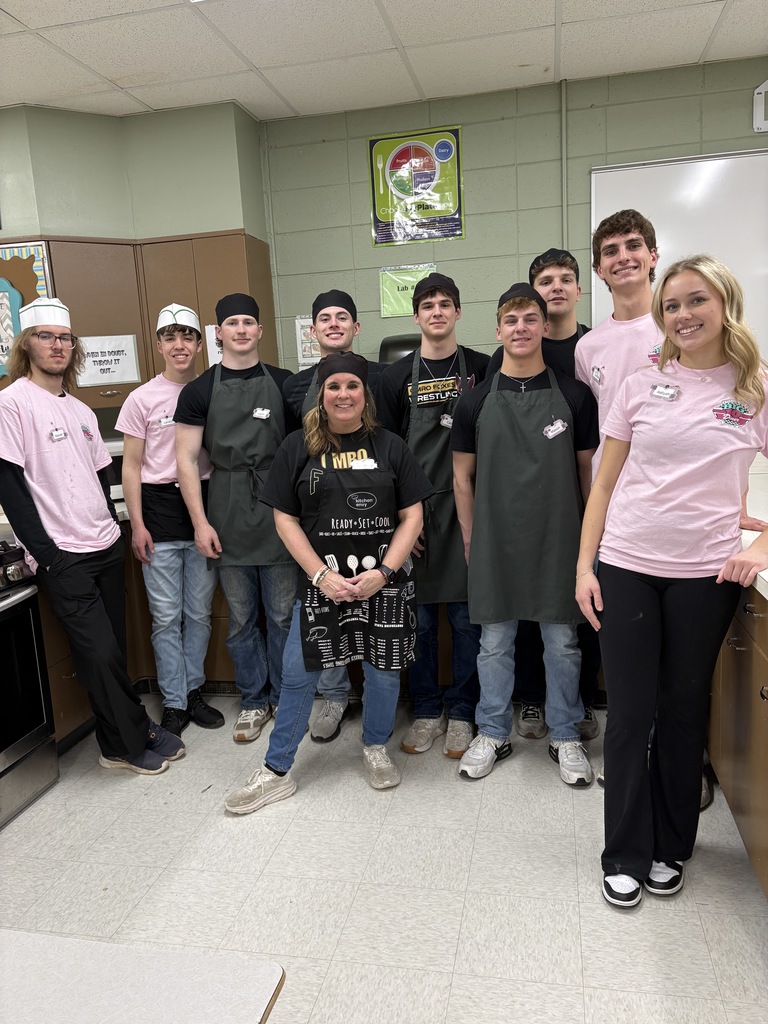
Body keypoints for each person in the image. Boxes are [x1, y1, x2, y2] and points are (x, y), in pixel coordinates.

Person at [575, 254, 768, 908]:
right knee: (629, 717)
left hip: (704, 576)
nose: (683, 315)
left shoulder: (754, 389)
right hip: (627, 564)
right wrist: (584, 566)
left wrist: (762, 546)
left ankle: (671, 845)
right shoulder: (639, 386)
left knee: (683, 715)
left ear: (724, 304)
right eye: (673, 305)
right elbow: (603, 484)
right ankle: (624, 850)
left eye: (696, 301)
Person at [224, 352, 433, 813]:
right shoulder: (297, 446)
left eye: (352, 386)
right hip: (322, 586)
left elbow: (412, 515)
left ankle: (375, 748)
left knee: (382, 672)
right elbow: (284, 518)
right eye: (334, 386)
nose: (344, 395)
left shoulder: (391, 446)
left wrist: (384, 573)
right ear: (321, 394)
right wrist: (320, 574)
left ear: (365, 395)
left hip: (384, 583)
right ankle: (277, 770)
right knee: (299, 675)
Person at [0, 297, 184, 774]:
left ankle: (112, 741)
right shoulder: (12, 403)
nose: (57, 346)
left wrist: (109, 526)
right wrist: (48, 555)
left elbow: (101, 474)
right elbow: (11, 487)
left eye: (64, 338)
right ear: (26, 344)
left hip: (104, 545)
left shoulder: (80, 409)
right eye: (46, 337)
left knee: (111, 654)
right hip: (63, 556)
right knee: (99, 655)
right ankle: (136, 733)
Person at [452, 284, 598, 785]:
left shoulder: (575, 397)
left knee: (562, 643)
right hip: (494, 539)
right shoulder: (473, 404)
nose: (520, 328)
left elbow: (587, 477)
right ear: (498, 330)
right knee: (494, 643)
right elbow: (461, 479)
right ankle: (492, 730)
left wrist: (586, 544)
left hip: (560, 538)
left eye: (529, 319)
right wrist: (471, 539)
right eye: (510, 320)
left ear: (543, 326)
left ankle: (564, 734)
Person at [488, 249, 599, 743]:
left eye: (565, 280)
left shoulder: (591, 352)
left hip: (567, 515)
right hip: (510, 517)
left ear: (578, 289)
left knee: (569, 623)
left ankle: (572, 712)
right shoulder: (499, 368)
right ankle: (530, 703)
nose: (556, 288)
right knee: (511, 629)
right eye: (545, 281)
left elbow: (588, 461)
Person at [174, 293, 296, 743]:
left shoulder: (285, 383)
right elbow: (186, 461)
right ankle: (252, 700)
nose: (241, 330)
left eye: (249, 322)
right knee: (242, 619)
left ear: (260, 331)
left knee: (283, 616)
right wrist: (200, 523)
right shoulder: (198, 391)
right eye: (232, 323)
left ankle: (286, 696)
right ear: (219, 333)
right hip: (225, 507)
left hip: (278, 508)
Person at [377, 273, 488, 759]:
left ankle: (463, 711)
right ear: (416, 315)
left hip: (469, 509)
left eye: (446, 303)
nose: (437, 311)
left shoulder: (485, 369)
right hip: (416, 514)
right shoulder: (393, 377)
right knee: (418, 623)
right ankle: (426, 710)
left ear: (459, 312)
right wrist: (404, 520)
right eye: (428, 305)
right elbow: (384, 456)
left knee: (468, 621)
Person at [116, 302, 223, 737]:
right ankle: (174, 702)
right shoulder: (141, 398)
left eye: (187, 336)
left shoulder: (213, 391)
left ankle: (194, 692)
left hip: (204, 507)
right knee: (165, 617)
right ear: (159, 344)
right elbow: (132, 466)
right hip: (158, 512)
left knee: (197, 613)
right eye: (170, 337)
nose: (179, 345)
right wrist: (137, 524)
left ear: (200, 344)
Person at [283, 289, 384, 743]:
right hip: (318, 522)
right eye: (324, 317)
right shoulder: (292, 386)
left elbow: (391, 454)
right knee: (321, 626)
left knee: (374, 626)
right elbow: (292, 465)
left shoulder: (382, 379)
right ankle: (334, 696)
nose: (334, 324)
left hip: (373, 523)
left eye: (343, 316)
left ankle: (376, 726)